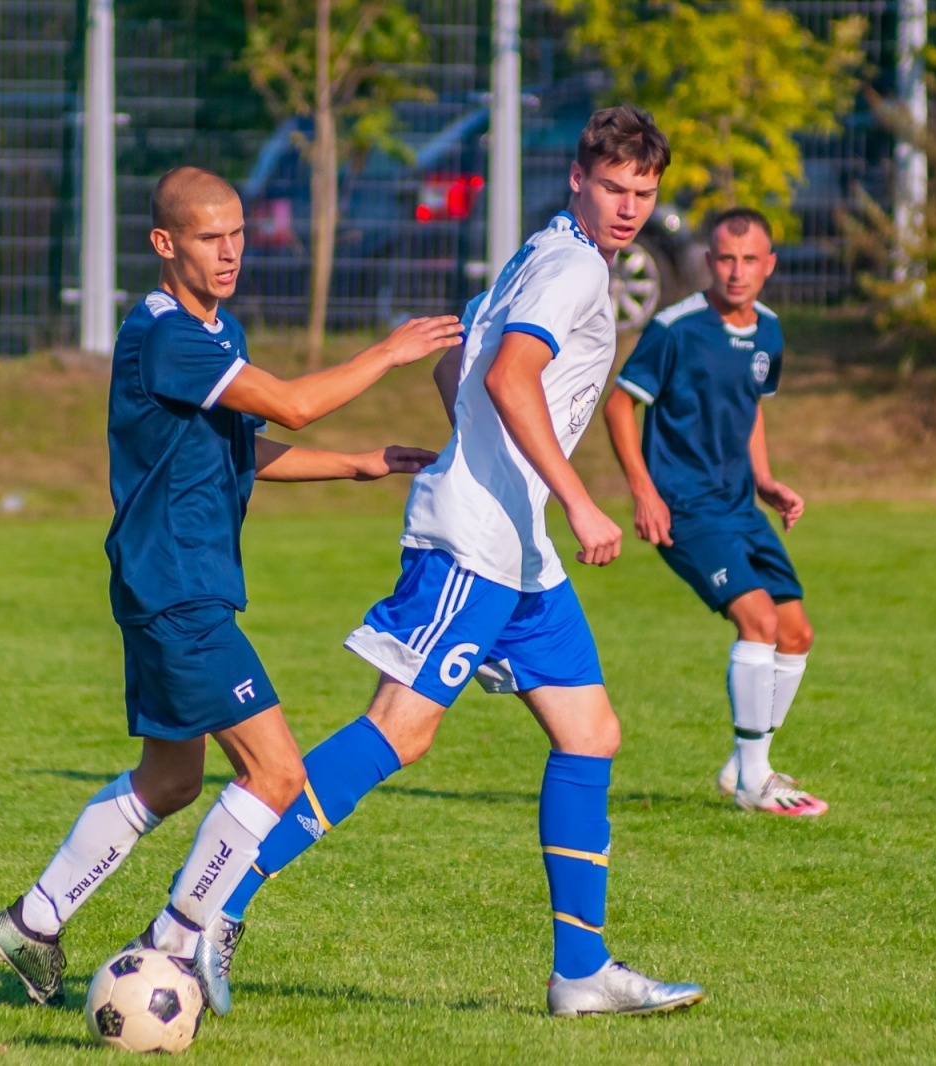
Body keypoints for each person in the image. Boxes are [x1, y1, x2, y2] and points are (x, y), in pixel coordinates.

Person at [207, 105, 705, 1019]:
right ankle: (214, 907)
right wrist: (578, 495)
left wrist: (489, 459)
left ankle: (582, 974)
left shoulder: (539, 250)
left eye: (645, 193)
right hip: (479, 541)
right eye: (614, 188)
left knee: (590, 732)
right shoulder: (575, 267)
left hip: (518, 545)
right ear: (578, 179)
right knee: (399, 729)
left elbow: (459, 369)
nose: (630, 208)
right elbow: (510, 377)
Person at [0, 166, 461, 1012]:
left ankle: (34, 921)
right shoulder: (168, 335)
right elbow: (292, 406)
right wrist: (389, 351)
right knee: (276, 775)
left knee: (169, 782)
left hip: (171, 584)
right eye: (210, 237)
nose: (232, 251)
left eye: (238, 233)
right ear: (166, 244)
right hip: (178, 590)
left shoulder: (212, 329)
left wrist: (358, 464)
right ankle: (176, 939)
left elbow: (247, 446)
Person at [602, 207, 825, 816]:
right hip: (685, 509)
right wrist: (644, 492)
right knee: (758, 622)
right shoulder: (675, 329)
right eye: (725, 258)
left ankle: (745, 766)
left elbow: (751, 409)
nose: (736, 271)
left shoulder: (770, 333)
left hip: (740, 505)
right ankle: (756, 781)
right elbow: (620, 406)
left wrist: (766, 480)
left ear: (769, 266)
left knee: (796, 633)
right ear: (708, 260)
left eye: (750, 260)